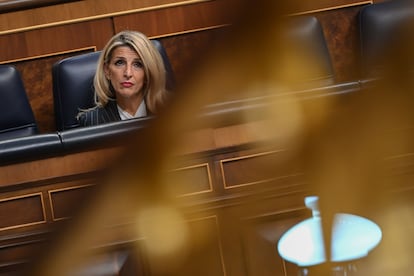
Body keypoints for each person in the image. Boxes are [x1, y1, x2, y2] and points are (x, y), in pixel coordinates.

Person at [77, 30, 170, 126]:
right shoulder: (91, 122)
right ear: (107, 70)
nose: (128, 73)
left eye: (137, 64)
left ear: (148, 72)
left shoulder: (175, 110)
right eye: (120, 63)